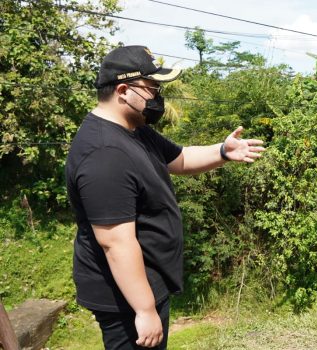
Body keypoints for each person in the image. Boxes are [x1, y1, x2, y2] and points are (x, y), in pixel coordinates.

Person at [65, 45, 265, 349]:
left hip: (144, 285)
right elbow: (115, 243)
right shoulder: (104, 153)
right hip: (125, 299)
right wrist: (144, 309)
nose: (158, 97)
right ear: (122, 90)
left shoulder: (133, 129)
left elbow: (180, 158)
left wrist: (223, 152)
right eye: (152, 88)